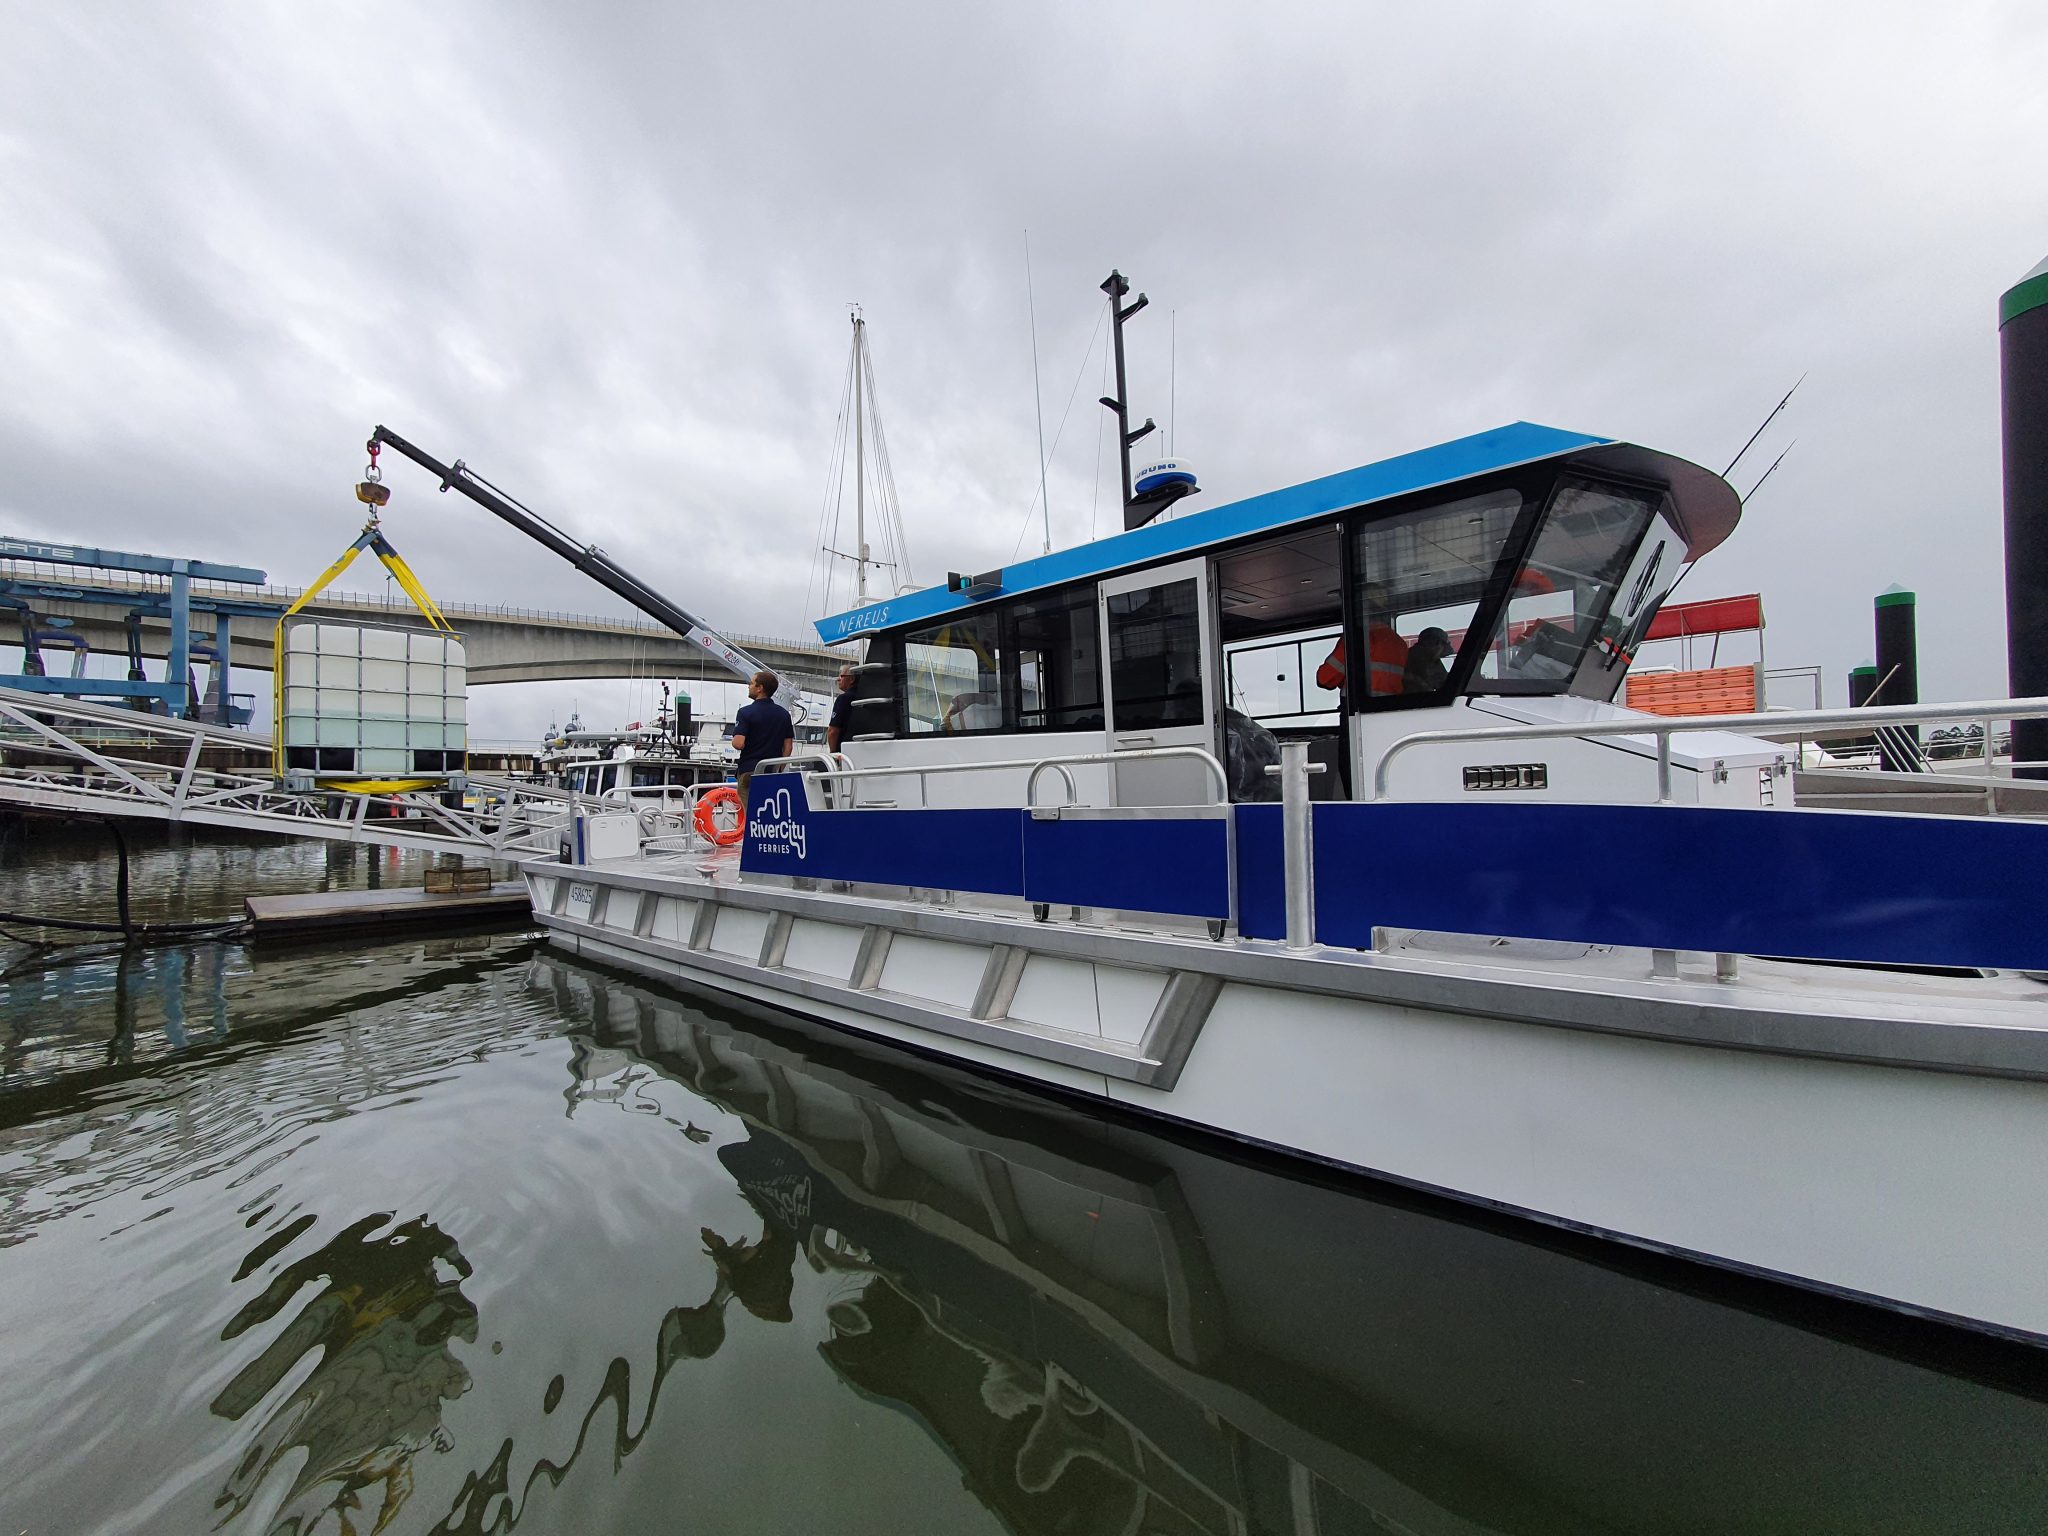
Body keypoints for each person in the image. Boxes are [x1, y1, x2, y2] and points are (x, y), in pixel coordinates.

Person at [731, 669, 794, 806]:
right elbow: (788, 747)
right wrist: (779, 768)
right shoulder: (784, 714)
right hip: (771, 772)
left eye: (752, 683)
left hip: (749, 770)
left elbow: (738, 744)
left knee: (750, 815)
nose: (748, 686)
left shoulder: (745, 712)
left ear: (760, 688)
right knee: (768, 813)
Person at [1402, 626, 1453, 694]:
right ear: (1437, 643)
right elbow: (1440, 683)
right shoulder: (1423, 657)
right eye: (1443, 644)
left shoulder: (1416, 653)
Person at [826, 665, 855, 752]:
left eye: (841, 676)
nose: (838, 679)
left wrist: (833, 754)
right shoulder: (866, 697)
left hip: (845, 752)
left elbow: (832, 731)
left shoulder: (843, 699)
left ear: (852, 679)